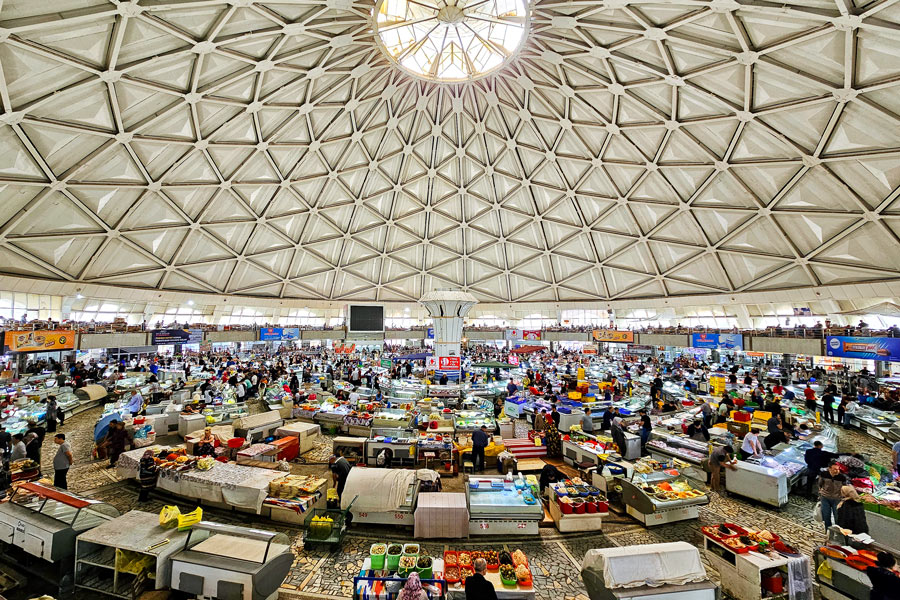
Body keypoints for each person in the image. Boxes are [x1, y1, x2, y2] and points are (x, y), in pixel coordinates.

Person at [819, 461, 848, 530]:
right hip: (825, 498)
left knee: (838, 517)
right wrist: (821, 493)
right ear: (829, 469)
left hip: (837, 499)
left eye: (838, 469)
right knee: (826, 516)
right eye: (834, 469)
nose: (837, 471)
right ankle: (828, 531)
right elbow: (820, 484)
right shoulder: (824, 474)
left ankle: (838, 532)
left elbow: (845, 488)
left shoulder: (842, 477)